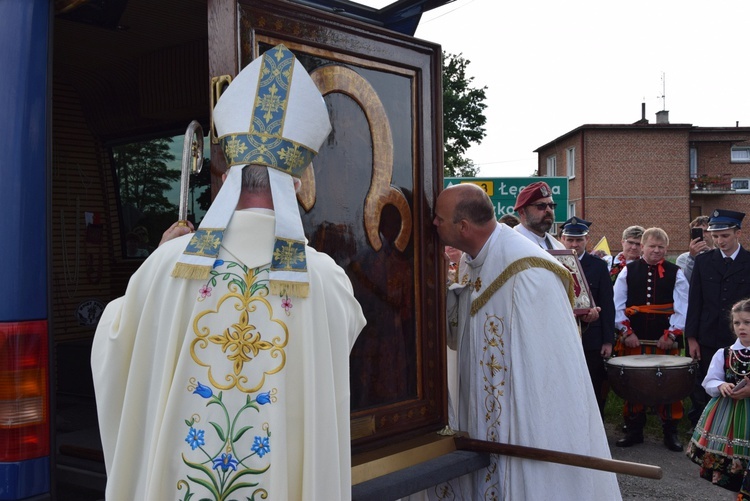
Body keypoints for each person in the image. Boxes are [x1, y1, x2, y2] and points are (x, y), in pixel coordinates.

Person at [91, 45, 366, 500]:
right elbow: (335, 352)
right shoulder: (324, 281)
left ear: (228, 177)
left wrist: (153, 271)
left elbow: (116, 347)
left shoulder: (167, 265)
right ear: (295, 182)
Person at [431, 183, 621, 500]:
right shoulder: (470, 260)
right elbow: (461, 330)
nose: (432, 224)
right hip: (481, 417)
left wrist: (534, 433)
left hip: (520, 424)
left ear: (463, 227)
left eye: (438, 218)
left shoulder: (531, 272)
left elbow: (549, 376)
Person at [613, 227, 688, 451]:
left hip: (664, 341)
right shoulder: (627, 271)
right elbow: (617, 303)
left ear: (667, 248)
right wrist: (626, 332)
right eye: (652, 246)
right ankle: (634, 430)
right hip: (635, 338)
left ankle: (670, 431)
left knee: (668, 385)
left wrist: (673, 334)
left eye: (661, 247)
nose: (656, 251)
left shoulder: (677, 273)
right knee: (633, 384)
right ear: (642, 247)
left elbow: (683, 306)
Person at [686, 209, 750, 428]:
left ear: (738, 233)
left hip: (741, 338)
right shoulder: (704, 261)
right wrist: (691, 338)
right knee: (704, 385)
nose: (720, 241)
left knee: (738, 384)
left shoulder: (748, 261)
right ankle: (703, 429)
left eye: (725, 235)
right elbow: (695, 302)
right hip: (707, 336)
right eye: (715, 236)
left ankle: (735, 427)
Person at [687, 298, 750, 493]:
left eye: (747, 322)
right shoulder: (724, 354)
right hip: (730, 420)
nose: (741, 327)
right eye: (737, 322)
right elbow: (709, 381)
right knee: (733, 473)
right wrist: (721, 385)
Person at [560, 217, 615, 415]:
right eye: (570, 240)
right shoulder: (553, 263)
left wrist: (608, 341)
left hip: (592, 336)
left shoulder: (598, 266)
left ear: (586, 240)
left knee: (593, 383)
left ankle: (596, 428)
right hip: (562, 335)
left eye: (579, 240)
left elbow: (608, 305)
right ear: (562, 239)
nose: (574, 244)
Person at [512, 181, 566, 249]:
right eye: (541, 206)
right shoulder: (511, 243)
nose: (549, 210)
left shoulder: (559, 247)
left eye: (551, 205)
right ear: (522, 212)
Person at [675, 215, 711, 282]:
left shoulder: (721, 254)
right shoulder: (683, 259)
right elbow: (686, 281)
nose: (703, 235)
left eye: (706, 231)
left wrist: (711, 254)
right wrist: (692, 258)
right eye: (698, 232)